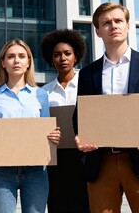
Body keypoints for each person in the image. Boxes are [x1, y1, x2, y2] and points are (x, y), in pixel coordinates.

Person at [74, 2, 139, 212]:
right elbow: (80, 116)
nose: (113, 26)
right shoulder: (87, 73)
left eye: (118, 21)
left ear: (128, 25)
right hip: (101, 162)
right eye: (106, 23)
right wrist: (80, 137)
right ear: (98, 31)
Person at [0, 39, 61, 213]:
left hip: (36, 171)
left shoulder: (41, 95)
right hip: (2, 172)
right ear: (3, 63)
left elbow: (46, 131)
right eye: (10, 57)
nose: (16, 61)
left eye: (21, 56)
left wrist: (53, 137)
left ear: (28, 62)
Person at [40, 29, 89, 212]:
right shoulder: (43, 92)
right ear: (51, 59)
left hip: (84, 156)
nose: (62, 58)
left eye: (67, 53)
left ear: (76, 56)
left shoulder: (87, 85)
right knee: (57, 205)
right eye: (57, 55)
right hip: (55, 160)